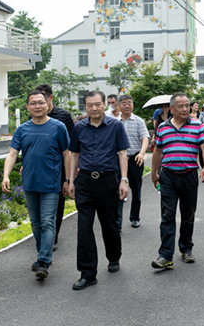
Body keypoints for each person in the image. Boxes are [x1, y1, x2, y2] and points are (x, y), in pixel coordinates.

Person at [2, 90, 70, 280]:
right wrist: (6, 176)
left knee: (48, 221)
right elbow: (12, 154)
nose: (38, 106)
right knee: (36, 223)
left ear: (47, 104)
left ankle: (43, 261)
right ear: (27, 107)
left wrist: (68, 180)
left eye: (41, 102)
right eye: (33, 103)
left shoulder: (58, 127)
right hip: (29, 183)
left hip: (51, 184)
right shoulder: (22, 129)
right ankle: (43, 254)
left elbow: (67, 154)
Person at [68, 91, 130, 291]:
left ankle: (114, 256)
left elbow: (122, 153)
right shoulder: (79, 128)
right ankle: (87, 273)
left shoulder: (116, 126)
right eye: (89, 105)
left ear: (105, 105)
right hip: (85, 181)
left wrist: (123, 180)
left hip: (108, 181)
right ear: (85, 106)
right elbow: (74, 154)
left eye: (97, 104)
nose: (94, 108)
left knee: (109, 224)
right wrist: (71, 181)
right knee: (84, 227)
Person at [150, 93, 204, 269]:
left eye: (187, 105)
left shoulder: (197, 125)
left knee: (188, 215)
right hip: (168, 176)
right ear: (171, 108)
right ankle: (165, 255)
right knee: (167, 216)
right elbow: (157, 151)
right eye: (180, 106)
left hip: (189, 176)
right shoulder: (163, 127)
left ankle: (186, 249)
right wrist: (153, 173)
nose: (185, 109)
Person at [35, 84, 74, 252]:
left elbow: (72, 144)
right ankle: (43, 235)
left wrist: (69, 175)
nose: (38, 103)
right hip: (39, 168)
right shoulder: (33, 115)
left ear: (50, 97)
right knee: (38, 204)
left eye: (42, 99)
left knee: (57, 204)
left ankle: (53, 236)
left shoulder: (63, 116)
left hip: (59, 167)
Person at [117, 94, 150, 229]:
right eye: (124, 103)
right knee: (118, 190)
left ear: (133, 105)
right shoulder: (114, 122)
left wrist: (142, 153)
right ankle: (117, 222)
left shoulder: (138, 121)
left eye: (129, 103)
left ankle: (135, 217)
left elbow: (145, 138)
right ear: (119, 105)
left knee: (136, 190)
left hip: (135, 159)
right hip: (118, 160)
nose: (127, 105)